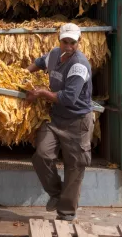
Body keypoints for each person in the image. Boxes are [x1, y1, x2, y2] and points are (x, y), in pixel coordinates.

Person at [26, 23, 94, 222]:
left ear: (78, 42)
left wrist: (41, 93)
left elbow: (69, 98)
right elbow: (40, 62)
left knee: (75, 167)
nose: (68, 46)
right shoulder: (55, 54)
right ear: (60, 39)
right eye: (65, 41)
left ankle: (66, 214)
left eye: (73, 43)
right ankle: (56, 194)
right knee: (42, 155)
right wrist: (24, 74)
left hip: (77, 121)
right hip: (56, 118)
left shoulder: (79, 65)